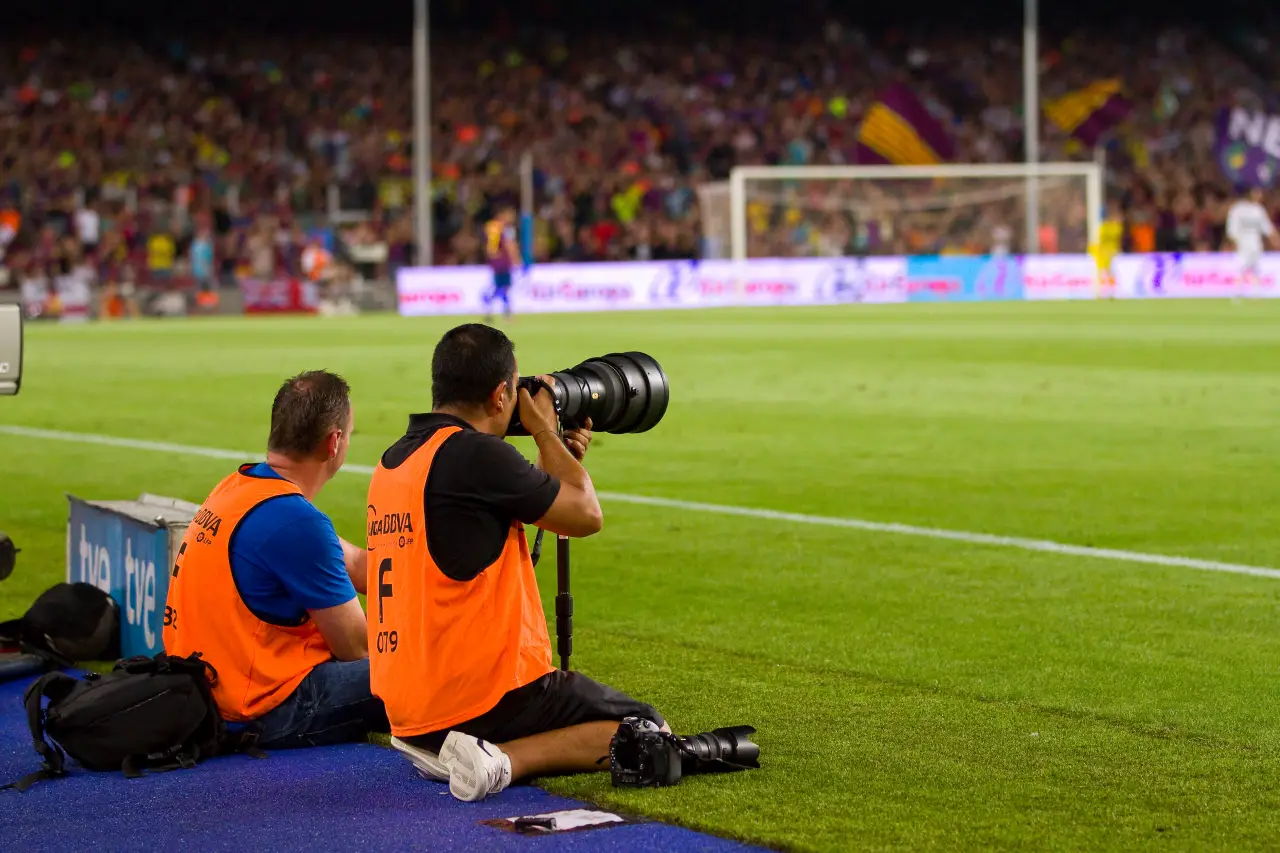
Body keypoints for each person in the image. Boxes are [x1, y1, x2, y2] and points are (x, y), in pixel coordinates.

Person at [367, 324, 667, 802]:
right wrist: (546, 429)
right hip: (476, 697)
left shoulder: (397, 459)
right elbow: (585, 515)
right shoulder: (477, 456)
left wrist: (556, 457)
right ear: (501, 392)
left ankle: (446, 745)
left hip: (407, 705)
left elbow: (487, 530)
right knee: (647, 729)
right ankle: (502, 760)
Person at [163, 370, 388, 748]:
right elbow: (357, 649)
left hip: (205, 688)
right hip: (262, 707)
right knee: (415, 670)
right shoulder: (297, 522)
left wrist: (428, 565)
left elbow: (356, 565)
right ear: (334, 442)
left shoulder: (240, 487)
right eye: (349, 433)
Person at [1225, 187, 1277, 294]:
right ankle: (1237, 293)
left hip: (1256, 244)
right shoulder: (1237, 209)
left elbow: (1267, 228)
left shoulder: (1258, 209)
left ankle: (1256, 293)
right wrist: (1233, 242)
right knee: (1240, 268)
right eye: (1256, 192)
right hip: (1242, 245)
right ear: (1249, 194)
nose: (1259, 195)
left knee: (1256, 269)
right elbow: (1231, 229)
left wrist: (1275, 240)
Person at [482, 207, 521, 322]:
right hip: (503, 262)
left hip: (496, 262)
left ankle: (492, 310)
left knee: (502, 287)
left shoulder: (490, 227)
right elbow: (510, 246)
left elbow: (489, 247)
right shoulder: (503, 228)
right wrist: (516, 260)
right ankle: (504, 313)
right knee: (503, 288)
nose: (511, 218)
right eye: (510, 214)